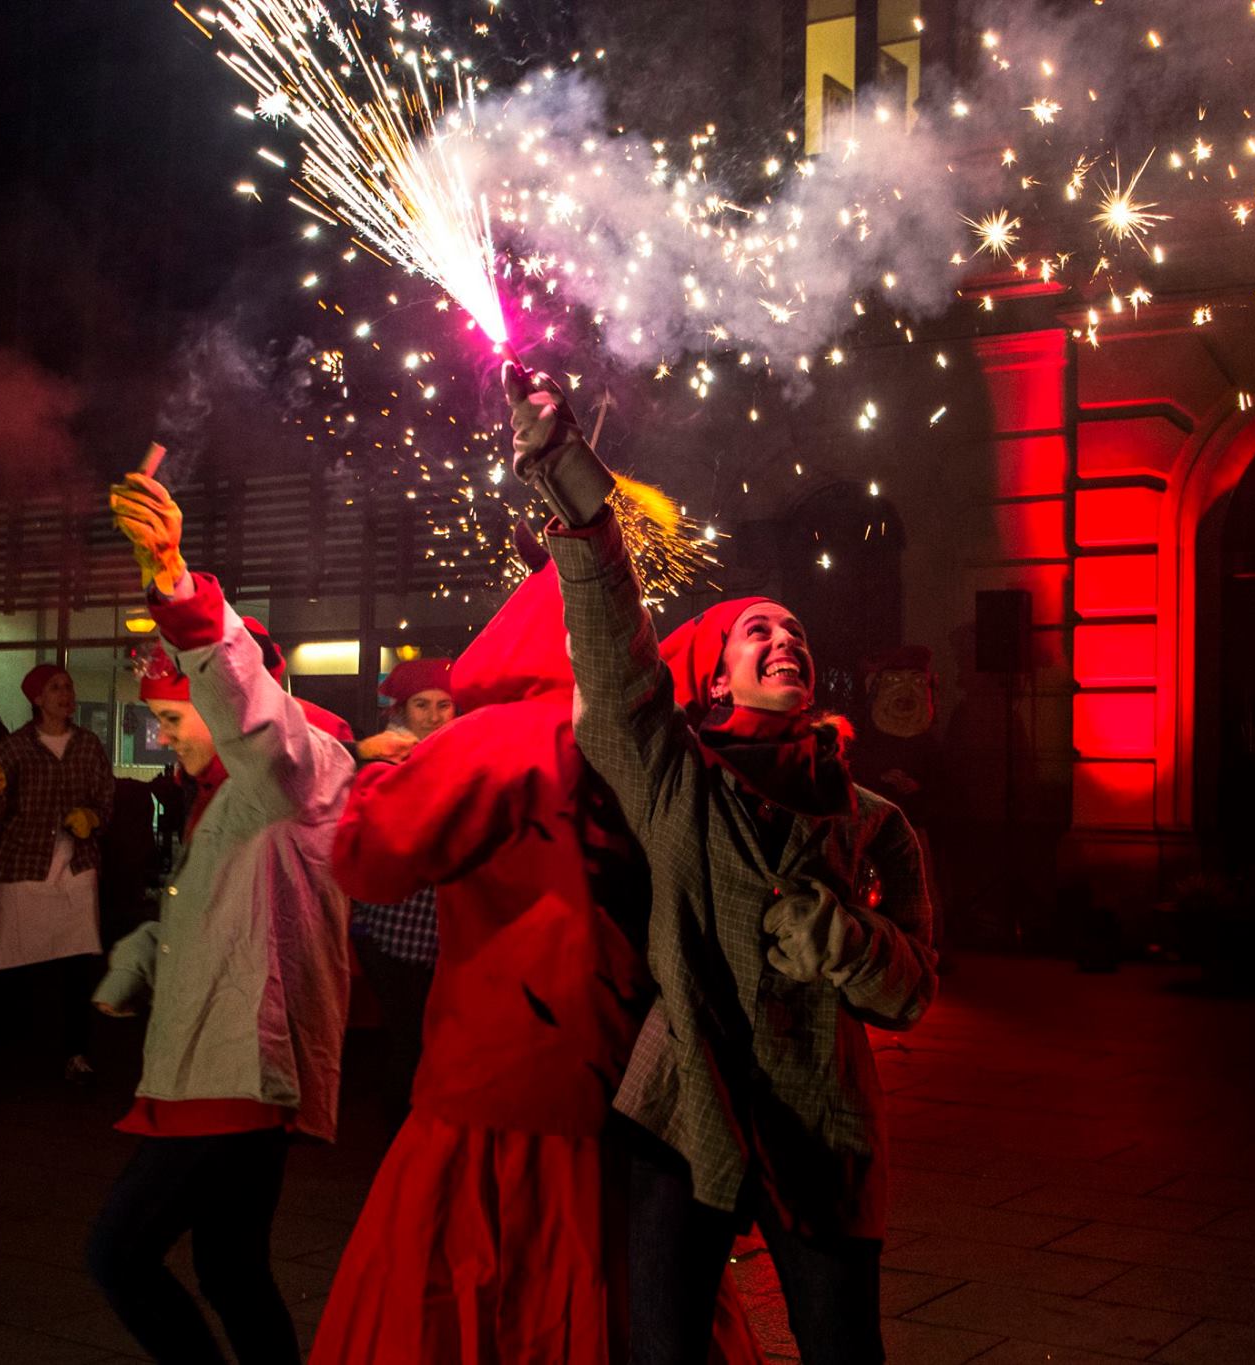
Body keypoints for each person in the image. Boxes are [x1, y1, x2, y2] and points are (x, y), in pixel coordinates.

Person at [505, 363, 939, 1365]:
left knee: (843, 1350)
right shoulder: (677, 779)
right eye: (757, 630)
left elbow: (912, 989)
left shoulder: (875, 823)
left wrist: (843, 940)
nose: (783, 639)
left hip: (822, 1120)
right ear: (716, 676)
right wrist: (571, 486)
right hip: (681, 1109)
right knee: (664, 1352)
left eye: (795, 631)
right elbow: (612, 654)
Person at [311, 565, 761, 1365]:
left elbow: (367, 861)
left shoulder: (492, 737)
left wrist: (380, 770)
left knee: (472, 1297)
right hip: (634, 1077)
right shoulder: (655, 742)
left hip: (496, 1081)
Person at [85, 470, 354, 1365]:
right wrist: (136, 959)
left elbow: (251, 715)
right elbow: (202, 913)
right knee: (233, 1268)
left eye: (171, 718)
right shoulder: (222, 795)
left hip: (236, 1066)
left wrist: (173, 577)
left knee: (120, 1253)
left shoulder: (296, 768)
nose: (162, 734)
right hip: (217, 1062)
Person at [0, 663, 114, 1080]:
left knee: (77, 964)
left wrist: (93, 817)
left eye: (68, 686)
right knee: (8, 960)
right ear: (37, 698)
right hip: (24, 865)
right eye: (55, 688)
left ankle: (76, 1052)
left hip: (76, 867)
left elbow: (106, 799)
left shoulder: (88, 746)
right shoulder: (15, 747)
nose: (66, 694)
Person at [347, 655, 454, 1133]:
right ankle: (405, 1133)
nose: (433, 715)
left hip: (430, 923)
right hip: (390, 921)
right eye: (422, 705)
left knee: (421, 1033)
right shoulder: (389, 756)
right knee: (412, 1034)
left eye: (443, 705)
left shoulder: (452, 751)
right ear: (402, 710)